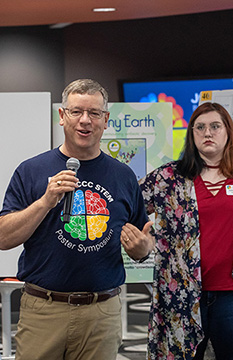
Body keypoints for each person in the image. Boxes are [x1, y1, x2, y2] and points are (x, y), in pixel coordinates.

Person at [0, 79, 154, 360]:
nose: (85, 121)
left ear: (106, 120)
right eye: (76, 112)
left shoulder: (123, 176)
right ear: (62, 116)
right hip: (43, 309)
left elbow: (143, 241)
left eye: (94, 113)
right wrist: (46, 202)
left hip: (101, 313)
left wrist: (142, 249)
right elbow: (3, 238)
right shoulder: (31, 170)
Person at [121, 102, 233, 360]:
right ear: (192, 135)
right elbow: (127, 205)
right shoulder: (170, 177)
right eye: (200, 127)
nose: (207, 133)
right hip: (181, 296)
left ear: (228, 132)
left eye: (215, 126)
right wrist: (142, 242)